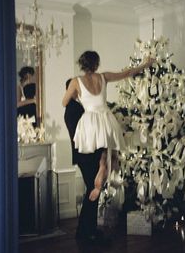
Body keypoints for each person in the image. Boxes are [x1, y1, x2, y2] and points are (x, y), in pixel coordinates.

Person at [62, 51, 154, 202]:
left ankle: (98, 177)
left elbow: (64, 102)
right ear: (96, 64)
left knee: (94, 150)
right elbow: (128, 73)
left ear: (82, 65)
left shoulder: (75, 81)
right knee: (107, 151)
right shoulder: (103, 77)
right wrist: (146, 64)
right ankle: (103, 165)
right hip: (105, 118)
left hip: (90, 122)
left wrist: (78, 96)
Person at [64, 78, 105, 242]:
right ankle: (87, 232)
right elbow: (81, 134)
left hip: (86, 154)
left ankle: (87, 230)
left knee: (93, 189)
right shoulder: (73, 109)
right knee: (92, 190)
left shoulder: (76, 107)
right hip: (85, 155)